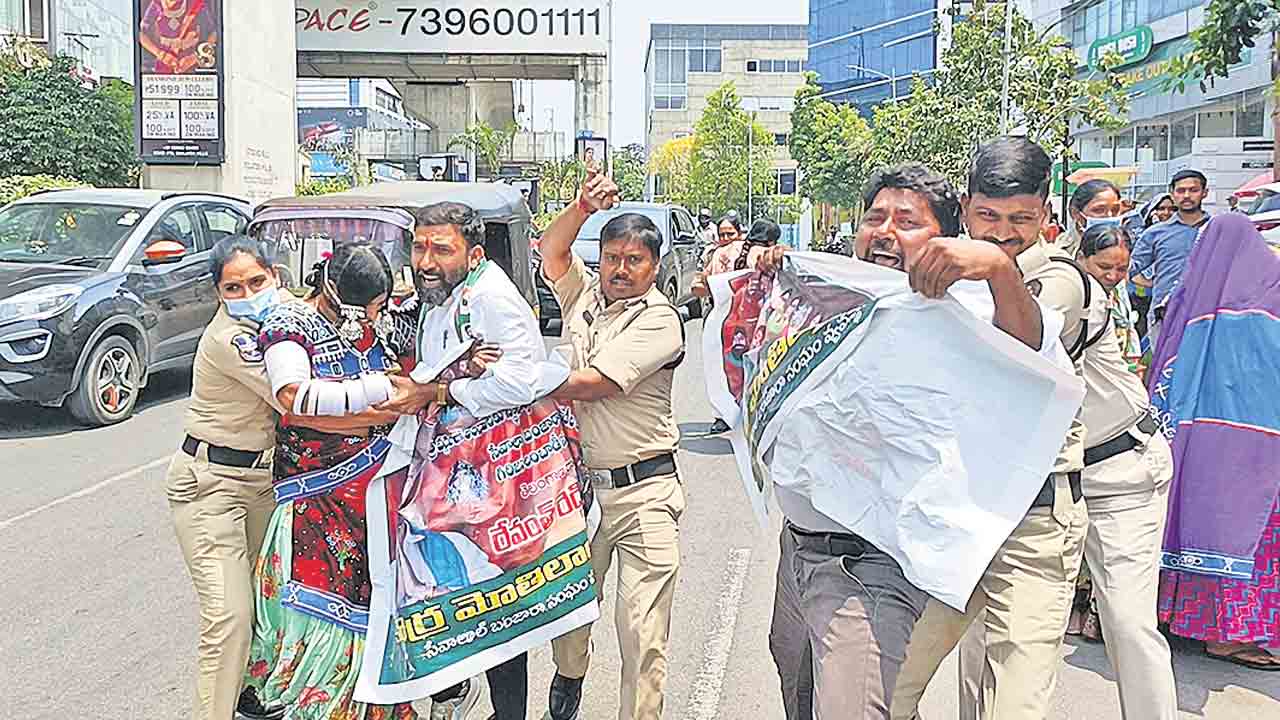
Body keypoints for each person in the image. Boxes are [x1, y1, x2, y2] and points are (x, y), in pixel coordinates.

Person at [757, 160, 1072, 720]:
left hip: (866, 568)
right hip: (799, 549)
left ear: (946, 241)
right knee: (804, 690)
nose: (885, 230)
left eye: (907, 221)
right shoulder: (836, 297)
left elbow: (1028, 348)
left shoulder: (967, 307)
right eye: (875, 217)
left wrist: (998, 268)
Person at [892, 137, 1090, 720]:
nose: (1004, 233)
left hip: (1033, 522)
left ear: (1046, 215)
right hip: (960, 512)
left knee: (1016, 702)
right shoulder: (944, 264)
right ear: (965, 204)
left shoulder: (1058, 279)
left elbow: (1023, 346)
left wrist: (1000, 271)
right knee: (883, 688)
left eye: (1021, 220)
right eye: (989, 217)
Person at [374, 201, 554, 720]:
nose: (426, 261)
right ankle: (453, 695)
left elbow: (524, 379)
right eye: (419, 247)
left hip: (489, 477)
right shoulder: (443, 297)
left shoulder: (493, 297)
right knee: (449, 592)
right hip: (448, 472)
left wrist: (448, 391)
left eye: (441, 249)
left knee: (497, 603)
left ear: (473, 253)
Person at [240, 242, 425, 719]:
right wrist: (374, 409)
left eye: (378, 307)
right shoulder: (290, 326)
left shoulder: (378, 326)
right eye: (366, 307)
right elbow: (293, 399)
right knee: (315, 604)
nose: (372, 316)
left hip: (376, 493)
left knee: (377, 601)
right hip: (315, 495)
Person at [538, 173, 687, 720]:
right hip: (578, 495)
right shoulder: (582, 296)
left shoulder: (662, 322)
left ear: (654, 267)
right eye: (612, 258)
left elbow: (596, 382)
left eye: (634, 260)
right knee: (570, 619)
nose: (621, 269)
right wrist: (579, 207)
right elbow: (551, 250)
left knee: (643, 634)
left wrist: (512, 382)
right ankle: (570, 673)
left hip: (646, 493)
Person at [1055, 223, 1179, 717]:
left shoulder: (1081, 295)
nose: (1112, 275)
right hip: (1052, 480)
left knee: (1128, 624)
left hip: (1122, 472)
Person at [167, 236, 293, 720]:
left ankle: (255, 699)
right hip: (210, 485)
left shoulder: (280, 309)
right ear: (219, 293)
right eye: (233, 287)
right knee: (229, 618)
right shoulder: (229, 339)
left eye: (257, 282)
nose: (248, 294)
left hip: (261, 481)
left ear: (275, 277)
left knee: (270, 604)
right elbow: (292, 395)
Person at [1154, 214, 1280, 671]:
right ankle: (1230, 635)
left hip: (1192, 443)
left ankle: (1180, 618)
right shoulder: (1267, 303)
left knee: (1196, 523)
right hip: (1253, 450)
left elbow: (1162, 372)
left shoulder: (1189, 301)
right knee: (1245, 535)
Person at [694, 218, 780, 434]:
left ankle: (724, 415)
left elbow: (700, 285)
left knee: (725, 370)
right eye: (722, 234)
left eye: (728, 234)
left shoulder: (719, 254)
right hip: (756, 324)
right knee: (756, 370)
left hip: (724, 321)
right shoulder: (767, 256)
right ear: (772, 241)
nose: (725, 239)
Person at [1129, 169, 1210, 349]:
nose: (1187, 195)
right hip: (1164, 316)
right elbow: (1129, 268)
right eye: (1181, 191)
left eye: (1193, 190)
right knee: (1165, 372)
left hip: (1207, 317)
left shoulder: (1217, 230)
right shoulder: (1155, 233)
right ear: (1173, 193)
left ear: (1205, 192)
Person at [1129, 194, 1175, 339]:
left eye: (1172, 209)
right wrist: (1153, 283)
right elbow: (1131, 267)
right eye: (1161, 208)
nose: (1166, 213)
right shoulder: (1143, 235)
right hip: (1140, 297)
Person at [138, 0, 219, 74]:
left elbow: (214, 34)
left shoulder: (195, 4)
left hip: (192, 66)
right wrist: (160, 54)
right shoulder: (156, 4)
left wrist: (194, 58)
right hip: (163, 64)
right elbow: (140, 34)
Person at [1057, 178, 1124, 258]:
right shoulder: (1059, 249)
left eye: (1115, 210)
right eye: (1099, 210)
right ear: (1075, 213)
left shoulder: (1128, 247)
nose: (1109, 216)